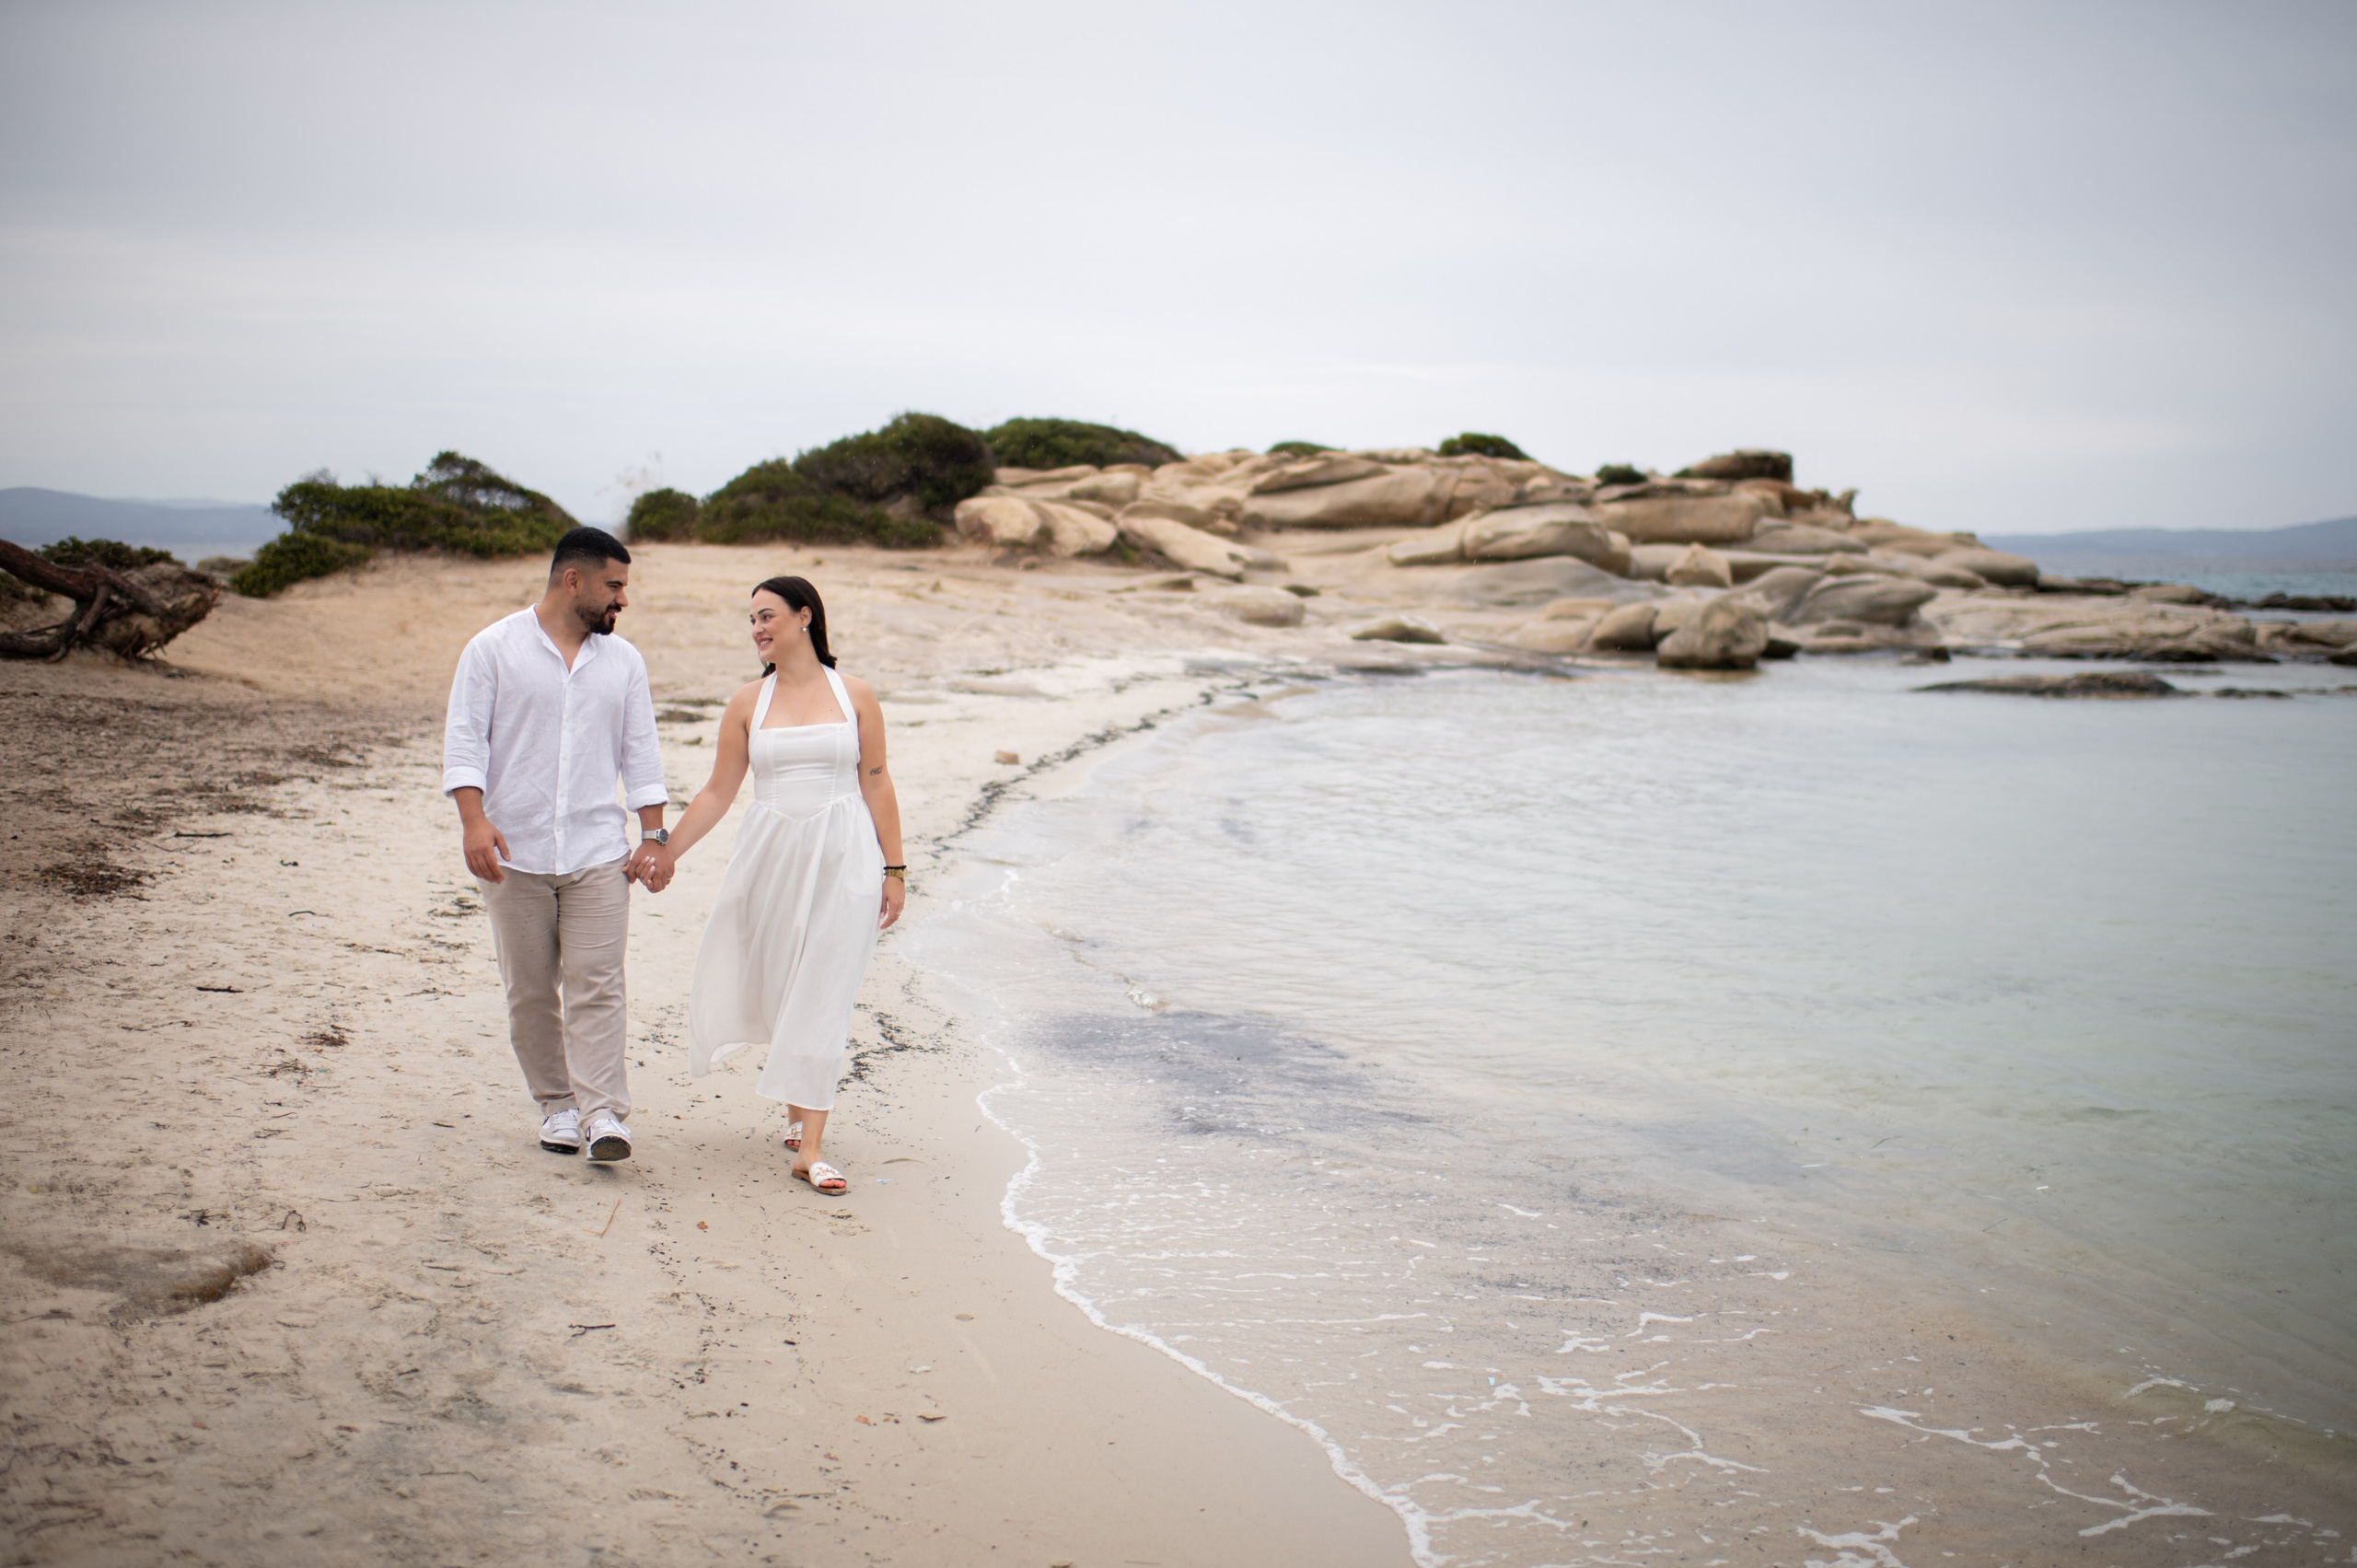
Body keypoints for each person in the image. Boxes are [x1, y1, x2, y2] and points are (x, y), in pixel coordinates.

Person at [633, 576, 904, 1194]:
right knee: (785, 983)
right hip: (772, 857)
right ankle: (795, 1108)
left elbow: (878, 783)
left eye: (768, 615)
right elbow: (718, 792)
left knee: (825, 990)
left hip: (846, 855)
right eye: (751, 620)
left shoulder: (855, 694)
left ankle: (810, 1148)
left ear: (805, 616)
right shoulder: (746, 703)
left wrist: (895, 869)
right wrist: (666, 850)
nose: (757, 628)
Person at [441, 526, 668, 1164]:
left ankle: (601, 1114)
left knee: (598, 982)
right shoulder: (492, 649)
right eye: (614, 585)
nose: (621, 599)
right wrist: (473, 820)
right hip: (512, 852)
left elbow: (641, 754)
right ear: (575, 581)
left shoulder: (624, 663)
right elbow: (464, 743)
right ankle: (558, 1105)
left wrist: (654, 836)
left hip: (599, 851)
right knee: (531, 989)